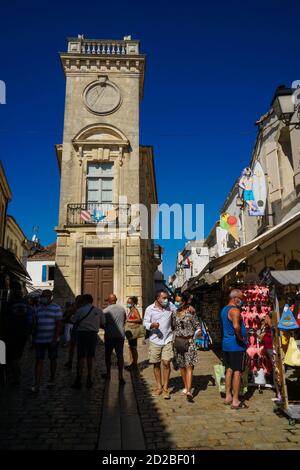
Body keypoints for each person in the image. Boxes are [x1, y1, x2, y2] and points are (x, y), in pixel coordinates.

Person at [143, 289, 176, 399]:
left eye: (167, 298)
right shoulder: (150, 309)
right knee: (156, 364)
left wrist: (189, 307)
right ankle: (159, 386)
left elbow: (180, 310)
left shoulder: (170, 306)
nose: (167, 300)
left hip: (167, 339)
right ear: (158, 298)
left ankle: (166, 388)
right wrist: (152, 325)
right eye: (164, 298)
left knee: (166, 363)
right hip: (155, 340)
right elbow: (145, 322)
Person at [221, 289, 248, 409]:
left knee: (229, 369)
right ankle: (236, 400)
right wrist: (241, 337)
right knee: (237, 371)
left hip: (226, 344)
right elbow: (236, 326)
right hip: (236, 345)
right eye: (241, 298)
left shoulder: (224, 310)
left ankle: (228, 396)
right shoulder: (235, 310)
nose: (242, 301)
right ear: (235, 298)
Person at [172, 292, 202, 402]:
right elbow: (173, 326)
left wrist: (196, 334)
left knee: (189, 366)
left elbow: (198, 327)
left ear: (184, 302)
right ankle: (186, 386)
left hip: (189, 342)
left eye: (178, 301)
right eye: (175, 300)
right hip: (178, 342)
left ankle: (189, 390)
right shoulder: (174, 313)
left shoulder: (190, 313)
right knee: (182, 366)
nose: (176, 303)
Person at [31, 290, 63, 393]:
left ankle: (52, 378)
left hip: (52, 340)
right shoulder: (37, 308)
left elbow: (58, 325)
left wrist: (55, 338)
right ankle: (37, 383)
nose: (42, 297)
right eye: (42, 296)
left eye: (44, 296)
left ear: (50, 297)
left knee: (53, 359)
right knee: (38, 360)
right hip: (39, 339)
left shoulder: (56, 308)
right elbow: (35, 324)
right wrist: (33, 338)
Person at [71, 294, 104, 389]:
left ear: (84, 301)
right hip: (93, 335)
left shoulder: (80, 310)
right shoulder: (98, 311)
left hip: (82, 334)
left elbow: (73, 320)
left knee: (81, 357)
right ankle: (89, 378)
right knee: (91, 356)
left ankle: (79, 379)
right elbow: (103, 323)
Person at [5, 290, 33, 385]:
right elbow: (30, 320)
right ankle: (15, 373)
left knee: (11, 356)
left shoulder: (8, 304)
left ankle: (15, 376)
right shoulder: (27, 305)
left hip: (10, 334)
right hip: (23, 334)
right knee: (17, 355)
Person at [102, 294, 127, 385]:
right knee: (120, 355)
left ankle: (108, 374)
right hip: (120, 335)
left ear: (108, 300)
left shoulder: (105, 311)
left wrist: (106, 327)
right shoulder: (122, 309)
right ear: (116, 300)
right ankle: (120, 376)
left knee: (108, 355)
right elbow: (124, 320)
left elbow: (102, 323)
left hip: (109, 335)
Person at [64, 295, 85, 369]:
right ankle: (75, 361)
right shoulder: (84, 308)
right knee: (76, 346)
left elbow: (70, 318)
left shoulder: (74, 308)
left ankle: (72, 361)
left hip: (77, 328)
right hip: (81, 329)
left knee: (74, 346)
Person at [125, 296, 142, 369]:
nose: (128, 303)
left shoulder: (134, 310)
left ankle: (134, 364)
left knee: (133, 348)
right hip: (130, 332)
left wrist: (129, 320)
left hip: (134, 331)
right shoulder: (130, 310)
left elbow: (139, 319)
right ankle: (131, 363)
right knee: (131, 348)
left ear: (133, 303)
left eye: (129, 302)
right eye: (127, 302)